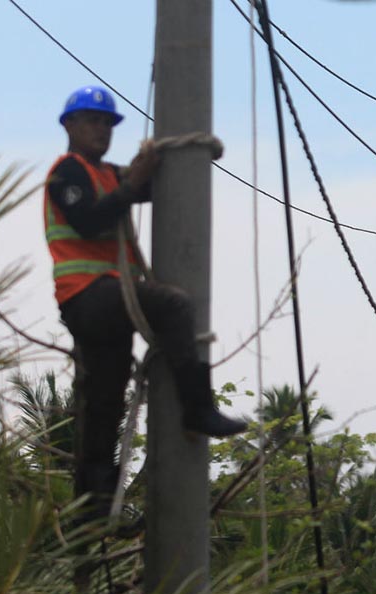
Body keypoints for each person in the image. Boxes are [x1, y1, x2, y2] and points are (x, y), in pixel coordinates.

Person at [45, 85, 247, 524]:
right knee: (172, 304)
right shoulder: (67, 174)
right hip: (87, 294)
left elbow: (155, 191)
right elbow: (89, 220)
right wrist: (133, 184)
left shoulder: (108, 175)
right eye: (92, 121)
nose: (101, 130)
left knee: (106, 400)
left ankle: (93, 505)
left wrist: (188, 162)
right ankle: (197, 408)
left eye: (107, 123)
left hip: (106, 299)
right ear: (70, 125)